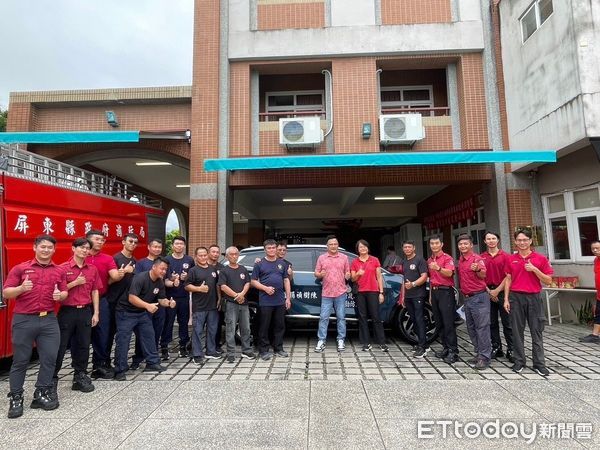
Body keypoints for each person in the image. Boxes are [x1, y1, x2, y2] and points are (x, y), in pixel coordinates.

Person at [4, 235, 67, 419]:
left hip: (48, 319)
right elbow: (6, 292)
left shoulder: (59, 271)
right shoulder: (21, 269)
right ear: (35, 248)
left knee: (49, 358)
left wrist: (60, 296)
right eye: (43, 247)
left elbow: (64, 291)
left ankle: (41, 392)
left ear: (54, 250)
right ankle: (16, 397)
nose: (46, 250)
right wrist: (21, 289)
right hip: (24, 320)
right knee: (21, 360)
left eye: (50, 248)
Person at [53, 238, 102, 394]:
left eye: (87, 248)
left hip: (85, 311)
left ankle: (79, 375)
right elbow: (57, 292)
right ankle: (51, 378)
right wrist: (74, 282)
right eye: (81, 247)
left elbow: (95, 291)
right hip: (67, 312)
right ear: (73, 248)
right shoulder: (62, 268)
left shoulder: (92, 269)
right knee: (60, 346)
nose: (84, 250)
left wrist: (96, 312)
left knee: (83, 344)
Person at [113, 257, 172, 380]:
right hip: (126, 312)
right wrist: (147, 306)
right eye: (162, 269)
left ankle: (152, 363)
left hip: (142, 313)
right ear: (154, 267)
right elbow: (132, 298)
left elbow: (161, 299)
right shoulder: (140, 278)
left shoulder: (160, 282)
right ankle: (119, 370)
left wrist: (169, 303)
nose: (163, 272)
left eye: (165, 270)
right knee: (123, 340)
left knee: (149, 336)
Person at [504, 229, 553, 376]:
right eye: (519, 240)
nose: (522, 243)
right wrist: (506, 299)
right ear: (515, 242)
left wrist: (534, 270)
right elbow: (508, 279)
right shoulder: (511, 259)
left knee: (536, 331)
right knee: (517, 332)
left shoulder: (540, 259)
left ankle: (539, 363)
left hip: (534, 298)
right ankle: (519, 361)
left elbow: (548, 281)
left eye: (525, 240)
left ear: (531, 241)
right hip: (516, 297)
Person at [87, 229, 123, 380]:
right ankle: (80, 370)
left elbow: (114, 275)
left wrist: (118, 274)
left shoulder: (107, 258)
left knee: (104, 333)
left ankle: (101, 364)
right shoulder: (82, 256)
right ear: (88, 240)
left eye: (102, 240)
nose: (100, 242)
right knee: (82, 336)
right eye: (97, 239)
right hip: (82, 301)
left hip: (102, 299)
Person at [251, 239, 292, 360]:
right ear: (265, 250)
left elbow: (286, 280)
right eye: (269, 248)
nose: (272, 250)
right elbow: (253, 281)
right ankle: (263, 350)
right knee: (264, 326)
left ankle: (278, 348)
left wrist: (288, 298)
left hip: (279, 300)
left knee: (279, 325)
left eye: (273, 248)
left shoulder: (282, 263)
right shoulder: (259, 264)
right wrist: (265, 288)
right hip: (265, 301)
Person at [456, 234, 491, 370]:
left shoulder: (477, 259)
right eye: (460, 244)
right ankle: (478, 353)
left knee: (482, 328)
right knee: (471, 328)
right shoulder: (461, 259)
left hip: (479, 298)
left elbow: (483, 274)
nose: (463, 246)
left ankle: (485, 357)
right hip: (467, 298)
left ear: (471, 245)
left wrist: (477, 269)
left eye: (466, 244)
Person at [130, 238, 165, 369]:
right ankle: (138, 358)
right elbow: (137, 283)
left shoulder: (163, 263)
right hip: (143, 305)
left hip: (159, 302)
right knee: (142, 334)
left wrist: (174, 282)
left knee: (155, 332)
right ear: (149, 247)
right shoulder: (141, 263)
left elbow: (165, 280)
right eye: (154, 246)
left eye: (159, 247)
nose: (157, 249)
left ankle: (153, 358)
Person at [105, 233, 138, 369]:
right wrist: (123, 272)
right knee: (109, 333)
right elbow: (108, 281)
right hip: (113, 300)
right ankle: (104, 362)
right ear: (123, 242)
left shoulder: (135, 260)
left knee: (123, 334)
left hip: (126, 303)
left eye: (135, 242)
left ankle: (119, 362)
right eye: (130, 241)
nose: (133, 244)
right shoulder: (116, 258)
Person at [314, 235, 351, 353]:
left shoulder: (344, 257)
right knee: (324, 317)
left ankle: (341, 339)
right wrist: (320, 275)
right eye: (331, 244)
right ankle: (321, 340)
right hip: (327, 292)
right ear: (327, 246)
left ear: (338, 245)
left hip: (340, 292)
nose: (333, 246)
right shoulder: (322, 258)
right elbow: (316, 273)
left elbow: (347, 272)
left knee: (341, 317)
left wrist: (348, 275)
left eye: (335, 244)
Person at [480, 231, 513, 361]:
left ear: (498, 240)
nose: (491, 241)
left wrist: (497, 291)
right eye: (488, 239)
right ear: (485, 241)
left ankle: (511, 349)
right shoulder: (481, 257)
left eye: (493, 238)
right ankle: (496, 347)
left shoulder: (506, 256)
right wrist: (489, 291)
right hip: (488, 291)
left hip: (503, 291)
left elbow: (508, 276)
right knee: (491, 323)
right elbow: (479, 276)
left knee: (508, 323)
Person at [350, 239, 388, 352]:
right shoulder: (355, 262)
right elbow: (353, 279)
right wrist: (358, 273)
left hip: (373, 291)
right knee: (362, 317)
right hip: (360, 292)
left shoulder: (374, 260)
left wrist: (381, 292)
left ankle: (382, 342)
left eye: (364, 246)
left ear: (367, 248)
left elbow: (379, 277)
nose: (363, 249)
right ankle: (366, 343)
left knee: (376, 317)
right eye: (360, 247)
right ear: (357, 249)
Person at [186, 247, 222, 364]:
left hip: (212, 306)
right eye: (200, 255)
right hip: (199, 306)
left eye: (205, 255)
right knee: (197, 331)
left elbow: (217, 285)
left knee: (212, 330)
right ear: (196, 257)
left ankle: (210, 351)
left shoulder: (212, 269)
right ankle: (196, 354)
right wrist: (199, 288)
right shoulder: (193, 270)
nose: (203, 257)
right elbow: (186, 286)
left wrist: (219, 298)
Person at [161, 236, 195, 360]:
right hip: (169, 297)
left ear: (184, 246)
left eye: (181, 244)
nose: (179, 246)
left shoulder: (189, 260)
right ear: (173, 245)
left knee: (184, 322)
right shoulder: (166, 260)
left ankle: (183, 346)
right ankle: (164, 347)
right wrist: (172, 282)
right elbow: (164, 280)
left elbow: (192, 278)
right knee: (168, 323)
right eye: (177, 244)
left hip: (184, 297)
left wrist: (186, 278)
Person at [219, 246, 254, 363]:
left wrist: (242, 294)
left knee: (246, 328)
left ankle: (247, 351)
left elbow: (247, 283)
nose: (234, 256)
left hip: (244, 303)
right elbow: (223, 286)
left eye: (236, 254)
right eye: (232, 254)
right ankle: (231, 353)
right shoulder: (224, 270)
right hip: (230, 304)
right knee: (230, 328)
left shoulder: (243, 269)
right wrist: (236, 296)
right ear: (227, 256)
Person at [427, 235, 459, 364]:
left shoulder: (447, 258)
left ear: (441, 244)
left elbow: (450, 273)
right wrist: (430, 295)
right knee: (439, 323)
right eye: (432, 243)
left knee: (448, 322)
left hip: (445, 292)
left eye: (436, 243)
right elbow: (431, 278)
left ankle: (453, 351)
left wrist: (439, 268)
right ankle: (445, 347)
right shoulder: (429, 259)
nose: (434, 245)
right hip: (434, 293)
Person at [400, 240, 429, 358]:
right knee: (414, 320)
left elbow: (424, 276)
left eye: (409, 247)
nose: (407, 249)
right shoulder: (404, 262)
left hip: (418, 294)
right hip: (408, 296)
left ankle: (423, 347)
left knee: (419, 319)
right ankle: (421, 343)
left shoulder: (420, 260)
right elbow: (403, 280)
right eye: (405, 247)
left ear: (414, 248)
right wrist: (402, 296)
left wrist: (413, 284)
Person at [580, 240, 600, 343]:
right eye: (593, 249)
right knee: (598, 315)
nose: (595, 250)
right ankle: (595, 335)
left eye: (598, 248)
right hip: (599, 294)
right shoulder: (596, 260)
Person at [208, 244, 225, 353]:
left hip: (218, 300)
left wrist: (221, 298)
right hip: (203, 300)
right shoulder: (203, 266)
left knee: (217, 323)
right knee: (201, 325)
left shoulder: (222, 268)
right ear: (209, 253)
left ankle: (216, 345)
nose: (215, 254)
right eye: (213, 252)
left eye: (217, 252)